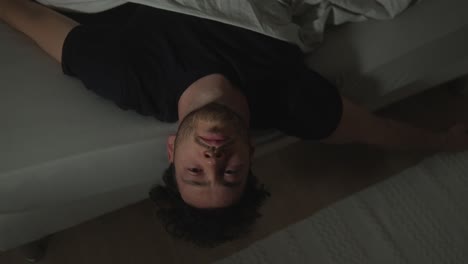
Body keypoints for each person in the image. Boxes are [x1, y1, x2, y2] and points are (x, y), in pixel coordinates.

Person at [1, 0, 468, 247]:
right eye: (228, 174)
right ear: (250, 159)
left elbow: (26, 13)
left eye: (194, 173)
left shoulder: (126, 76)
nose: (212, 158)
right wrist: (443, 142)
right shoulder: (290, 100)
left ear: (171, 151)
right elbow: (373, 132)